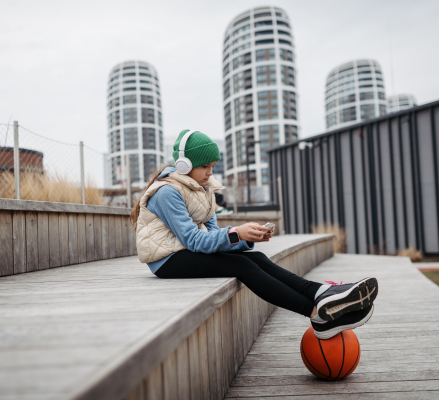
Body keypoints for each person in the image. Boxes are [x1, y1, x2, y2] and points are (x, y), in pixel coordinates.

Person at [130, 129, 378, 339]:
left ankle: (322, 293)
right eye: (204, 166)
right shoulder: (166, 192)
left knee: (255, 258)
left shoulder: (203, 189)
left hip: (185, 253)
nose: (210, 172)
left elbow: (215, 238)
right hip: (167, 260)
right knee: (242, 266)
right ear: (185, 165)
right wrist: (236, 232)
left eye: (213, 167)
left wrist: (247, 238)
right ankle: (318, 316)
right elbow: (194, 241)